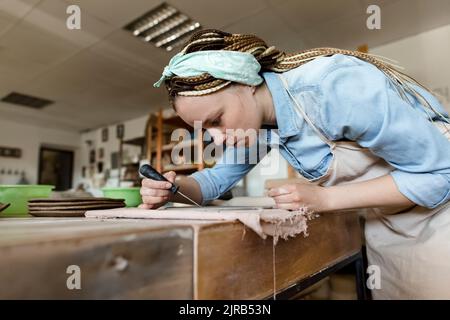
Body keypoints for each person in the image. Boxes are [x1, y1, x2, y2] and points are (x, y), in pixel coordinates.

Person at [140, 29, 450, 299]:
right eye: (205, 130)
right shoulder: (257, 128)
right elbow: (212, 184)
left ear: (246, 82)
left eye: (217, 120)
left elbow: (439, 174)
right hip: (386, 218)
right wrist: (174, 189)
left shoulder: (331, 87)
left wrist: (326, 198)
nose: (218, 139)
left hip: (439, 215)